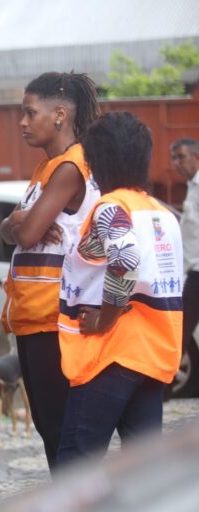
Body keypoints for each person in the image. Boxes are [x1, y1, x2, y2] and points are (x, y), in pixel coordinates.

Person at [56, 111, 183, 463]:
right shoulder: (161, 213)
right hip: (154, 353)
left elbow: (125, 259)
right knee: (142, 469)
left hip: (112, 353)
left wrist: (104, 320)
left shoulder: (111, 207)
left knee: (77, 463)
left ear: (96, 163)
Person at [0, 72, 100, 472]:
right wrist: (17, 222)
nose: (22, 123)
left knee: (62, 436)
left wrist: (20, 224)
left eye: (29, 113)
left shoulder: (71, 166)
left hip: (53, 320)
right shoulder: (48, 165)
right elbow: (13, 229)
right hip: (32, 319)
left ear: (59, 114)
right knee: (52, 432)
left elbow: (26, 231)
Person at [169, 138, 199, 396]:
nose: (176, 164)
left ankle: (163, 388)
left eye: (181, 157)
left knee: (180, 330)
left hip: (196, 274)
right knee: (179, 330)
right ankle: (163, 387)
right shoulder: (192, 186)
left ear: (196, 157)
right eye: (174, 158)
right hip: (191, 274)